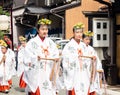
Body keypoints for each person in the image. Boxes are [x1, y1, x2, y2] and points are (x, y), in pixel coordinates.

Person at [23, 18, 60, 95]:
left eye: (46, 29)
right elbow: (27, 57)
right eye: (42, 29)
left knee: (48, 89)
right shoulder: (32, 42)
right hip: (37, 72)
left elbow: (55, 53)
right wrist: (35, 58)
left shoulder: (50, 42)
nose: (45, 31)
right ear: (38, 30)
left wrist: (56, 58)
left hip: (48, 71)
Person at [62, 22, 95, 95]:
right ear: (73, 33)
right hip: (74, 74)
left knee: (85, 89)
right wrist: (75, 58)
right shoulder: (68, 46)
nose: (79, 34)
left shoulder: (84, 46)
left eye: (81, 32)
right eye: (77, 32)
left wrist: (91, 58)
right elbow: (65, 60)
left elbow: (88, 60)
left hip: (84, 73)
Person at [82, 31, 103, 95]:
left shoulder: (91, 49)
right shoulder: (80, 47)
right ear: (82, 39)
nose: (88, 41)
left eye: (89, 39)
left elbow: (97, 59)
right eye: (86, 39)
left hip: (91, 71)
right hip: (83, 71)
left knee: (91, 86)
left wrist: (99, 68)